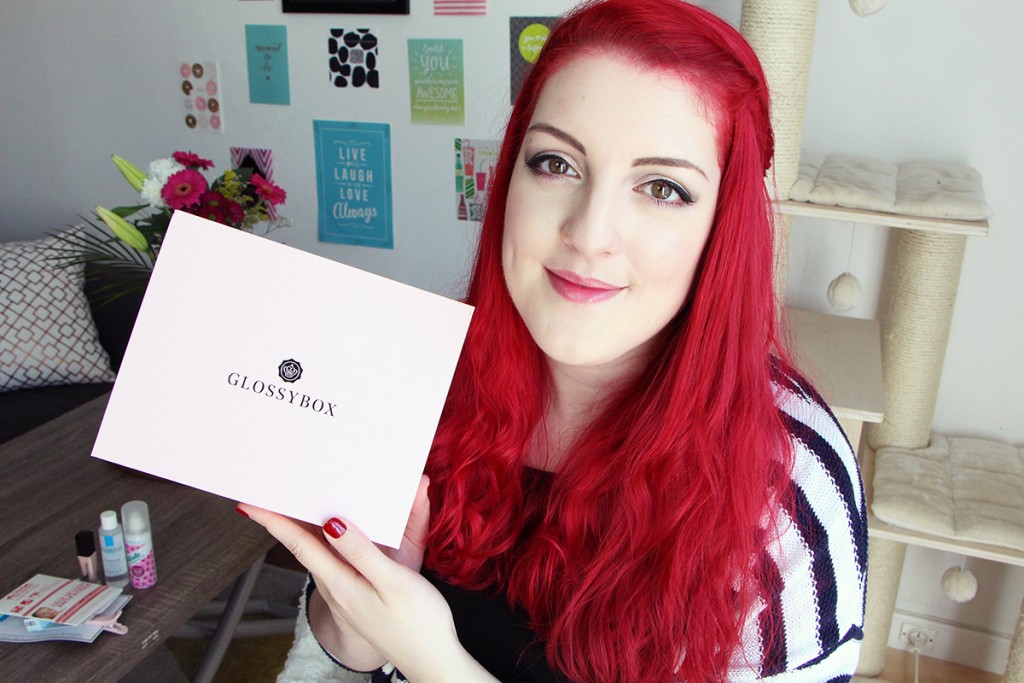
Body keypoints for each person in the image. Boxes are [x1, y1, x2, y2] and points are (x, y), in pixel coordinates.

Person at [238, 0, 867, 680]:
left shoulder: (791, 482)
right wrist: (361, 608)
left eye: (662, 188)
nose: (589, 234)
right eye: (556, 163)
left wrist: (433, 659)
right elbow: (340, 654)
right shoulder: (420, 376)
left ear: (723, 227)